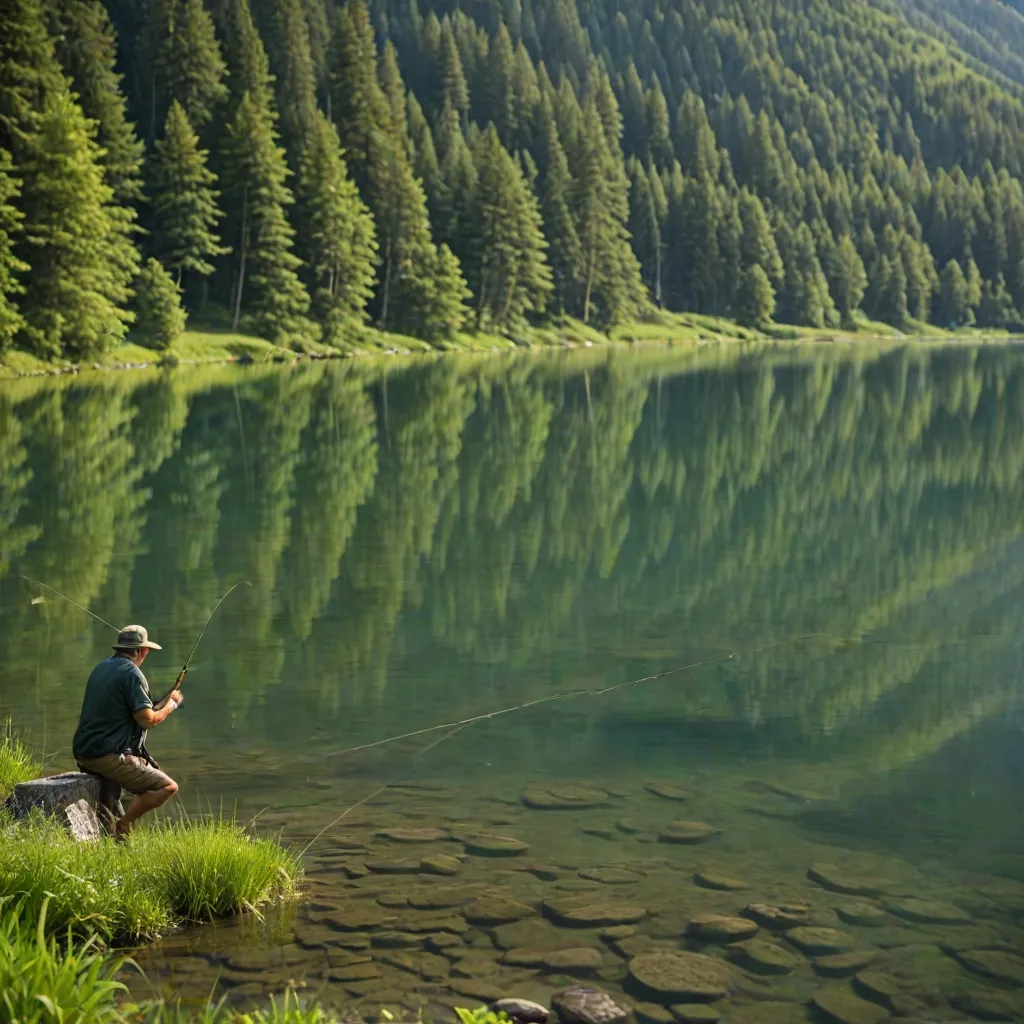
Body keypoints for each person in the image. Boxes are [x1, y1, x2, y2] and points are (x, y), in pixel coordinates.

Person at [73, 624, 183, 840]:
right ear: (143, 650)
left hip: (84, 751)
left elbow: (131, 713)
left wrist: (161, 704)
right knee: (168, 787)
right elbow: (148, 720)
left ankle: (116, 836)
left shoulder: (102, 667)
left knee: (111, 808)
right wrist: (171, 706)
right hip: (106, 756)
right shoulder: (132, 673)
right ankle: (124, 824)